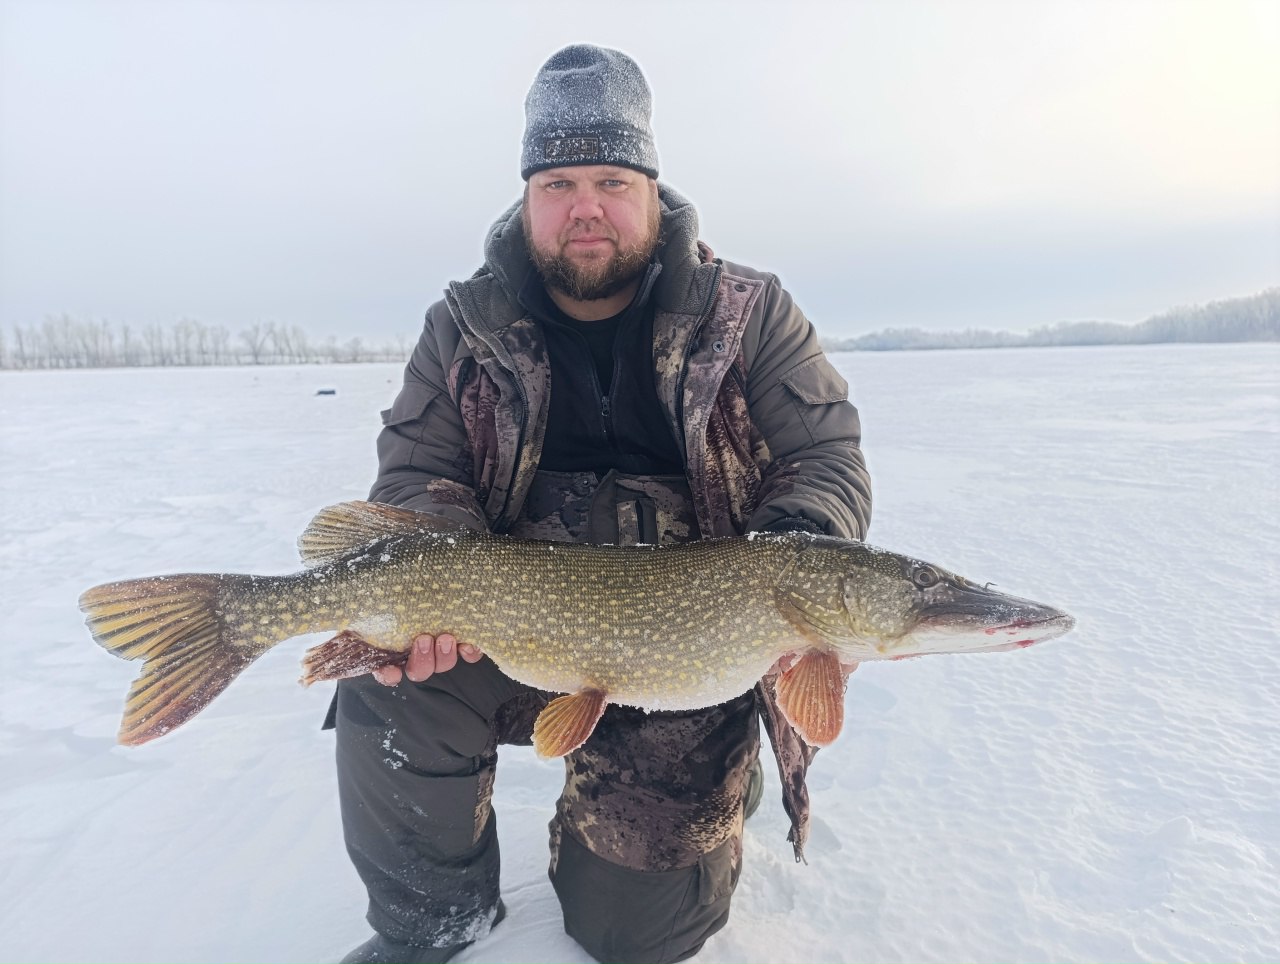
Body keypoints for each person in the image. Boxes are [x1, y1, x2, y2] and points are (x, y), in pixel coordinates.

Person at [331, 44, 872, 964]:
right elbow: (420, 474)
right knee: (388, 687)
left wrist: (793, 551)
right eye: (559, 181)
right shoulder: (461, 326)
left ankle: (717, 772)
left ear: (654, 190)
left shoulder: (749, 313)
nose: (586, 206)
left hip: (687, 650)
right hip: (511, 629)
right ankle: (433, 924)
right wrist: (441, 582)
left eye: (612, 179)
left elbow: (823, 456)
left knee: (633, 936)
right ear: (528, 197)